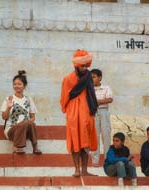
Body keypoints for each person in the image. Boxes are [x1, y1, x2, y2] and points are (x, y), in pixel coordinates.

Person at [60, 49, 98, 177]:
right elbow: (64, 97)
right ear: (76, 65)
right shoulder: (68, 79)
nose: (84, 68)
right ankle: (76, 170)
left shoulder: (88, 77)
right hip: (74, 114)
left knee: (85, 143)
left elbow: (92, 94)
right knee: (75, 143)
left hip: (87, 113)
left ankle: (85, 170)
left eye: (86, 65)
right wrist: (68, 110)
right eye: (82, 66)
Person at [0, 70, 42, 154]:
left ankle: (35, 147)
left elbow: (33, 117)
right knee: (24, 123)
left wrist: (28, 122)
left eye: (19, 84)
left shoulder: (28, 99)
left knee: (30, 123)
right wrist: (8, 107)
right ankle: (17, 147)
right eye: (15, 84)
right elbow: (4, 117)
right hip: (11, 131)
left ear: (24, 86)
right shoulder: (9, 98)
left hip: (25, 131)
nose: (16, 86)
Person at [90, 69, 113, 167]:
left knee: (106, 135)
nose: (92, 79)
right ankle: (95, 160)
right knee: (95, 136)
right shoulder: (89, 89)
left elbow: (109, 99)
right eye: (91, 77)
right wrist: (100, 101)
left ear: (100, 78)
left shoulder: (106, 88)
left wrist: (96, 101)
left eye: (94, 77)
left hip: (104, 112)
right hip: (93, 113)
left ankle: (107, 159)